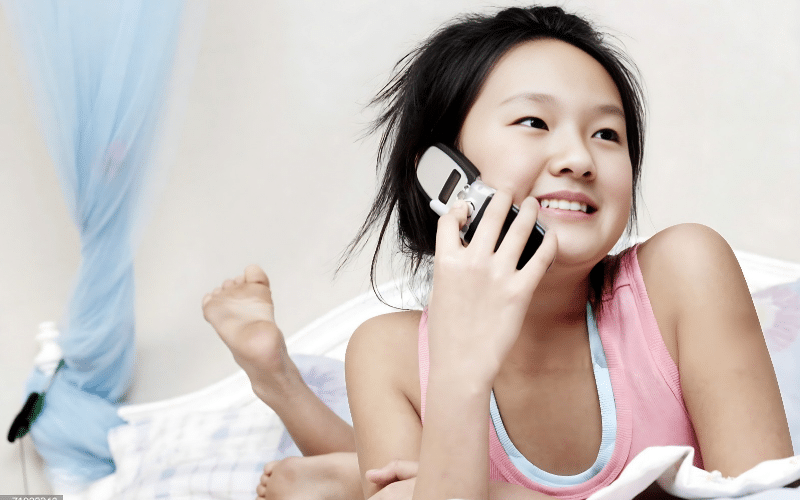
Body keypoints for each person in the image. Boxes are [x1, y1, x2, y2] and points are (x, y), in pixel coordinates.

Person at [204, 5, 793, 500]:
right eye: (534, 121)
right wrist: (460, 367)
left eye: (607, 134)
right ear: (441, 172)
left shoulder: (684, 272)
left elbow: (763, 493)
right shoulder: (389, 353)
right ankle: (282, 385)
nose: (580, 159)